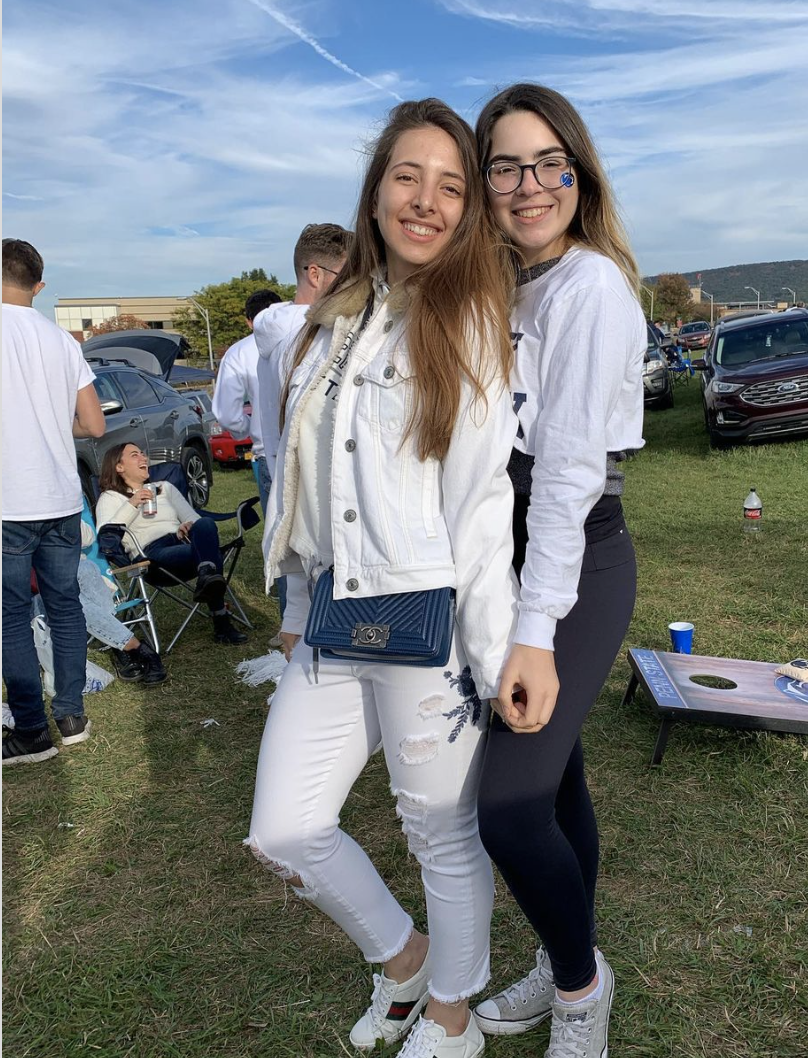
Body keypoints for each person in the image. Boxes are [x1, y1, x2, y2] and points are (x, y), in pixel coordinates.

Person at [246, 99, 517, 1058]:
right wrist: (291, 605)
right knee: (282, 829)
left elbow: (483, 503)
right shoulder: (320, 325)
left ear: (468, 212)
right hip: (329, 608)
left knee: (437, 831)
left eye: (452, 185)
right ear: (374, 192)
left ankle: (455, 1013)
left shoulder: (474, 320)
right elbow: (296, 483)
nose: (428, 201)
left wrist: (495, 654)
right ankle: (405, 964)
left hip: (425, 612)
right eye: (409, 176)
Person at [471, 84, 646, 1058]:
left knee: (506, 803)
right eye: (506, 164)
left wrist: (533, 628)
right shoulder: (502, 285)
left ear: (577, 173)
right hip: (509, 555)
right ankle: (564, 946)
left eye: (548, 162)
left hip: (574, 556)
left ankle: (580, 984)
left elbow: (572, 472)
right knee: (557, 775)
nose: (528, 183)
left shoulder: (591, 289)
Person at [2, 238, 106, 766]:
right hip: (61, 497)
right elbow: (93, 425)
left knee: (11, 615)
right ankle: (70, 713)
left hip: (8, 503)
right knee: (65, 605)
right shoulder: (61, 340)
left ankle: (30, 730)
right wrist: (46, 425)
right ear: (39, 286)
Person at [253, 223, 352, 639]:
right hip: (316, 474)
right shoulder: (311, 331)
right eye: (350, 276)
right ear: (316, 275)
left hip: (279, 464)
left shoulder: (271, 332)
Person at [95, 443, 247, 645]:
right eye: (134, 455)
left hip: (183, 541)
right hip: (153, 554)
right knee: (209, 558)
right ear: (119, 467)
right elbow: (106, 534)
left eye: (142, 453)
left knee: (205, 525)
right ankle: (221, 621)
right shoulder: (110, 498)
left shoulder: (164, 488)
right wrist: (133, 503)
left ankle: (207, 575)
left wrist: (186, 526)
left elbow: (193, 518)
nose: (143, 458)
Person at [211, 288, 283, 515]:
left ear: (249, 322)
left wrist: (248, 427)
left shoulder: (239, 352)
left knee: (278, 534)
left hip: (269, 450)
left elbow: (227, 414)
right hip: (312, 445)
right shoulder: (311, 336)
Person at [77, 521, 167, 685]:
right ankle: (134, 647)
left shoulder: (59, 506)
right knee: (71, 596)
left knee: (87, 568)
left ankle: (120, 646)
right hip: (44, 579)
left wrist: (66, 517)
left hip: (78, 571)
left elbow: (87, 538)